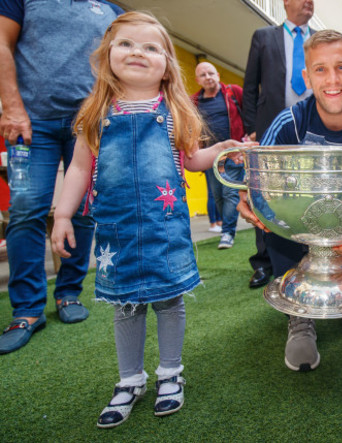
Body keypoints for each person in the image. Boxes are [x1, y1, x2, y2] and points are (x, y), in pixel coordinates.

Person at [50, 12, 251, 428]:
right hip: (116, 233)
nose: (138, 52)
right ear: (107, 56)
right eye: (126, 44)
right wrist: (63, 213)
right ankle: (129, 380)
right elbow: (78, 169)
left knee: (169, 300)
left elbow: (193, 160)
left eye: (151, 47)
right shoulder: (94, 115)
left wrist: (224, 148)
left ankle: (170, 374)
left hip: (166, 228)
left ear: (165, 67)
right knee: (125, 305)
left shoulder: (176, 112)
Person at [237, 29, 342, 371]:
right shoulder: (288, 123)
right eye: (320, 70)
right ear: (306, 77)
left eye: (341, 68)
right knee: (279, 231)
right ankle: (299, 315)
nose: (332, 79)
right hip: (299, 237)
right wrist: (248, 200)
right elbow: (254, 182)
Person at [0, 0, 123, 354]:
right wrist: (11, 106)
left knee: (84, 208)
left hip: (89, 122)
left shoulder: (110, 9)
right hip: (30, 122)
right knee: (25, 209)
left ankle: (69, 292)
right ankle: (27, 308)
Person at [242, 0, 315, 289]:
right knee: (266, 192)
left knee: (310, 191)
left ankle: (312, 252)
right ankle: (264, 261)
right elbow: (250, 86)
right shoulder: (264, 36)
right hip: (272, 128)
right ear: (286, 2)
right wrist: (251, 130)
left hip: (312, 129)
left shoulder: (318, 41)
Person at [191, 61, 246, 249]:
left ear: (218, 75)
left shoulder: (233, 93)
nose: (208, 77)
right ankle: (226, 226)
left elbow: (250, 112)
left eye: (211, 73)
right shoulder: (194, 102)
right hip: (209, 156)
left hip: (233, 152)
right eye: (203, 75)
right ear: (198, 80)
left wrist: (251, 134)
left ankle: (227, 233)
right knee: (218, 196)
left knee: (230, 192)